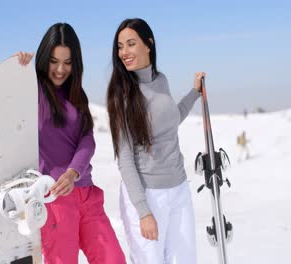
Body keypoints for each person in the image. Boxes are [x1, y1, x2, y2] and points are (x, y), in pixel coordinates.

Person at [16, 23, 125, 264]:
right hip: (54, 197)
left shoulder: (76, 93)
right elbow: (8, 100)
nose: (60, 69)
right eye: (54, 61)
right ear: (45, 58)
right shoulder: (33, 90)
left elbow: (87, 139)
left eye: (67, 62)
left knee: (113, 259)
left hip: (86, 192)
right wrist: (19, 70)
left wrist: (73, 172)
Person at [106, 18, 203, 264]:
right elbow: (125, 159)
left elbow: (170, 122)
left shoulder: (161, 81)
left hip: (179, 187)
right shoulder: (122, 95)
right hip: (148, 194)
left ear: (149, 44)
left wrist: (194, 94)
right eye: (120, 46)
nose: (124, 52)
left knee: (184, 259)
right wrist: (143, 210)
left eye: (130, 44)